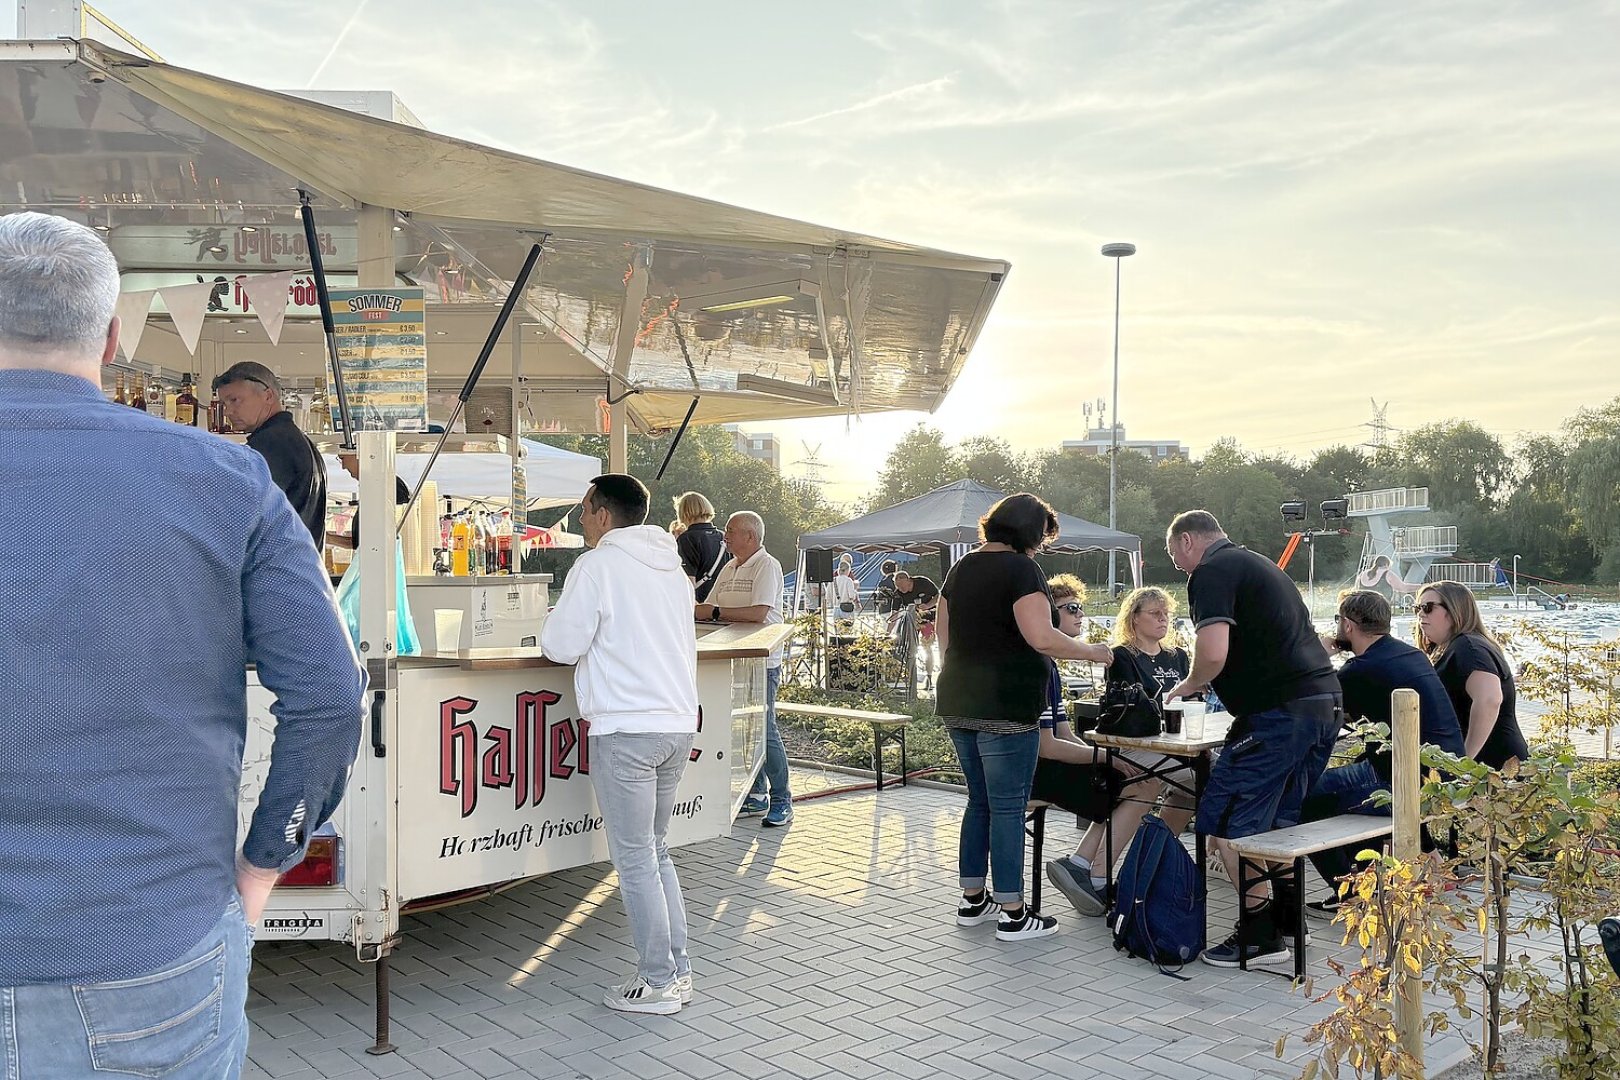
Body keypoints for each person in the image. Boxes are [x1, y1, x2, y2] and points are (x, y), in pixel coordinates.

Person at [0, 212, 367, 1078]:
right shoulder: (221, 477)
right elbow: (328, 694)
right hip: (151, 943)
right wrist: (263, 865)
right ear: (114, 334)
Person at [540, 474, 700, 1015]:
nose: (581, 521)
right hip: (675, 724)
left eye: (584, 511)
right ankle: (677, 972)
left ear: (603, 514)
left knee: (635, 861)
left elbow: (561, 645)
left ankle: (658, 983)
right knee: (655, 852)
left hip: (626, 730)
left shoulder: (597, 566)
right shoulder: (672, 570)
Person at [1162, 510, 1341, 968]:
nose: (1178, 567)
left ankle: (1260, 936)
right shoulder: (1261, 565)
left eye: (1173, 556)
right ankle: (1285, 921)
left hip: (1278, 713)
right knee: (1278, 823)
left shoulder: (1211, 570)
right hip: (1323, 704)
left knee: (1224, 820)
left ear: (1187, 542)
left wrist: (1190, 684)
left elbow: (1213, 651)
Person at [936, 493, 1114, 941]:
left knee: (979, 801)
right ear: (1032, 533)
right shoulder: (1022, 569)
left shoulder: (960, 569)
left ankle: (973, 901)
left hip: (958, 700)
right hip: (1008, 705)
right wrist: (1093, 652)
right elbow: (1042, 637)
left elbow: (943, 638)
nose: (1040, 548)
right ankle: (1014, 913)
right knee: (1009, 808)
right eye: (1042, 539)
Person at [1302, 589, 1464, 915]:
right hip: (1444, 775)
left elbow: (1310, 708)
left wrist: (1318, 656)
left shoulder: (1359, 670)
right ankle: (1373, 884)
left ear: (1347, 625)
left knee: (1302, 797)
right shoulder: (1410, 655)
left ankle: (1352, 892)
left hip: (1403, 782)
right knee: (1346, 792)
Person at [1045, 585, 1198, 916]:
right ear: (1134, 617)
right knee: (1154, 779)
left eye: (1167, 614)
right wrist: (1100, 757)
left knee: (1156, 781)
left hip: (1167, 744)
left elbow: (1063, 731)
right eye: (1155, 613)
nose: (1163, 619)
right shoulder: (1121, 656)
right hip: (1131, 747)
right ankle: (1103, 873)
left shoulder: (1178, 656)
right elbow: (1124, 716)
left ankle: (1094, 866)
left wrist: (1099, 758)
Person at [700, 511, 791, 826]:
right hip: (731, 660)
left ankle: (782, 799)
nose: (724, 537)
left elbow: (758, 613)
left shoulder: (767, 565)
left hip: (762, 662)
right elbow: (706, 608)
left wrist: (715, 612)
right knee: (743, 730)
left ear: (750, 536)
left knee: (764, 729)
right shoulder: (728, 567)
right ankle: (755, 796)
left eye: (730, 531)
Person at [1416, 581, 1530, 770]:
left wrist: (1464, 761)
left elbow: (1490, 699)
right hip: (1487, 768)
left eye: (1428, 608)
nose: (1420, 614)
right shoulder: (1456, 647)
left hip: (1494, 769)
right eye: (1417, 608)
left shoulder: (1468, 647)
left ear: (1454, 610)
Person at [214, 360, 328, 546]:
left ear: (268, 396)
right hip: (302, 566)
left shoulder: (271, 444)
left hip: (274, 567)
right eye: (224, 403)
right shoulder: (300, 440)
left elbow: (244, 515)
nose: (227, 411)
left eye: (234, 400)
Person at [326, 451, 412, 551]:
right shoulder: (374, 485)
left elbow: (373, 543)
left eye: (342, 458)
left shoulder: (387, 486)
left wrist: (329, 538)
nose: (343, 467)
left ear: (358, 454)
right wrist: (329, 538)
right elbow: (361, 542)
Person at [674, 491, 728, 603]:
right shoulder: (723, 537)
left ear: (683, 512)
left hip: (700, 606)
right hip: (724, 604)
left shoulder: (686, 539)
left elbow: (688, 581)